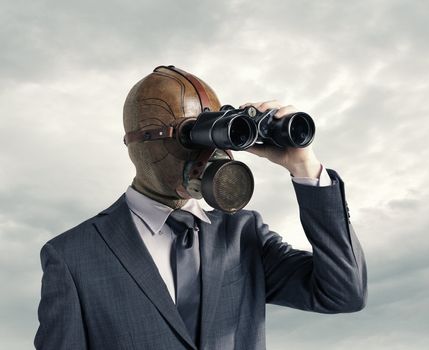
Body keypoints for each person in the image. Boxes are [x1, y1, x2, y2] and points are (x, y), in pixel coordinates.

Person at [34, 65, 367, 350]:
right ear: (136, 144)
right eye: (187, 135)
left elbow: (343, 293)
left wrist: (305, 168)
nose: (203, 153)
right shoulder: (72, 257)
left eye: (211, 135)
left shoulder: (242, 234)